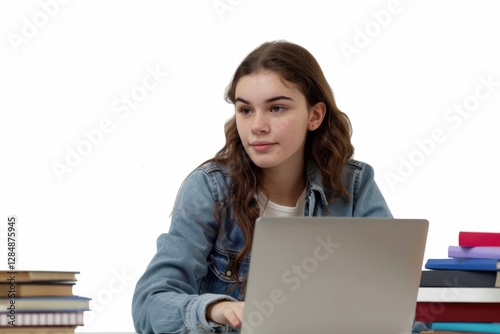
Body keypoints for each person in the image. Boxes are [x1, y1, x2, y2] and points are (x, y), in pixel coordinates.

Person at [132, 40, 429, 333]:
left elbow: (395, 298)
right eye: (245, 110)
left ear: (314, 116)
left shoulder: (353, 186)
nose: (257, 126)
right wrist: (217, 309)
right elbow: (149, 306)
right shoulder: (209, 188)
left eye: (276, 108)